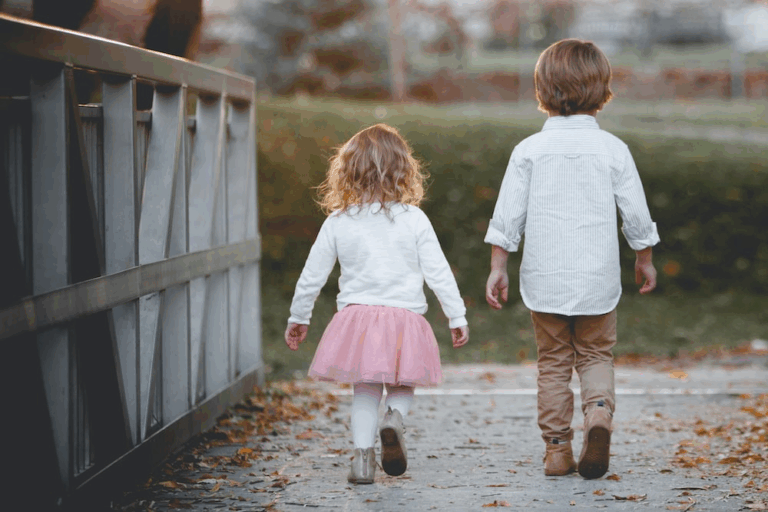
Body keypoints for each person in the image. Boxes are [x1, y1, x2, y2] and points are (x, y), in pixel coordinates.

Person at [484, 39, 659, 479]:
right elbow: (635, 213)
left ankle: (557, 450)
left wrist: (498, 266)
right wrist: (645, 257)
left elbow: (508, 215)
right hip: (597, 279)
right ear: (602, 90)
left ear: (542, 89)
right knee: (597, 354)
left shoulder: (528, 151)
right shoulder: (613, 149)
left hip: (545, 280)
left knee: (554, 362)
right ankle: (598, 414)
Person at [285, 123, 469, 485]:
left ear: (347, 171)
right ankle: (395, 419)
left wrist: (299, 315)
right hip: (405, 318)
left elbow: (313, 274)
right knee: (402, 384)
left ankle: (362, 461)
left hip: (358, 321)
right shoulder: (415, 219)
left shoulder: (338, 222)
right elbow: (439, 272)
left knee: (364, 390)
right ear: (403, 169)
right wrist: (456, 314)